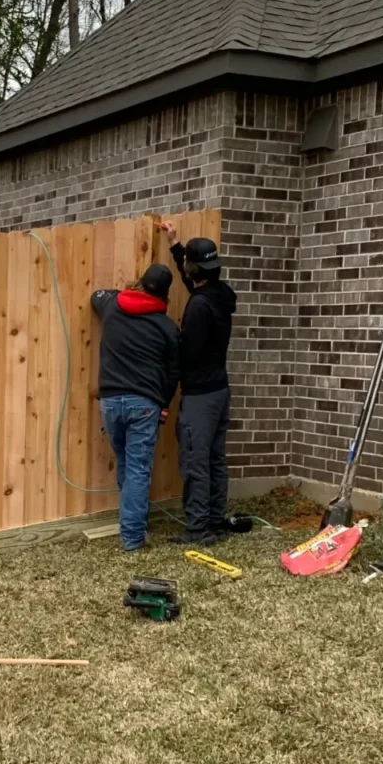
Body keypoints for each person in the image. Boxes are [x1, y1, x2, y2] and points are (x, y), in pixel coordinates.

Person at [91, 264, 180, 552]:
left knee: (128, 465)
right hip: (144, 404)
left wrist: (124, 291)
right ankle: (132, 537)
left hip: (111, 401)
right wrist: (164, 407)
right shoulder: (167, 327)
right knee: (138, 470)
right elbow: (172, 373)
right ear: (165, 295)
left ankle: (132, 524)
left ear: (140, 283)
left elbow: (96, 296)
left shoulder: (113, 307)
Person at [163, 222, 237, 545]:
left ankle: (197, 529)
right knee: (215, 459)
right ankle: (215, 521)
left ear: (196, 269)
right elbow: (194, 283)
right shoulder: (220, 296)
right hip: (220, 390)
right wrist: (176, 246)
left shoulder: (198, 307)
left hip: (200, 397)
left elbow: (187, 354)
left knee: (195, 461)